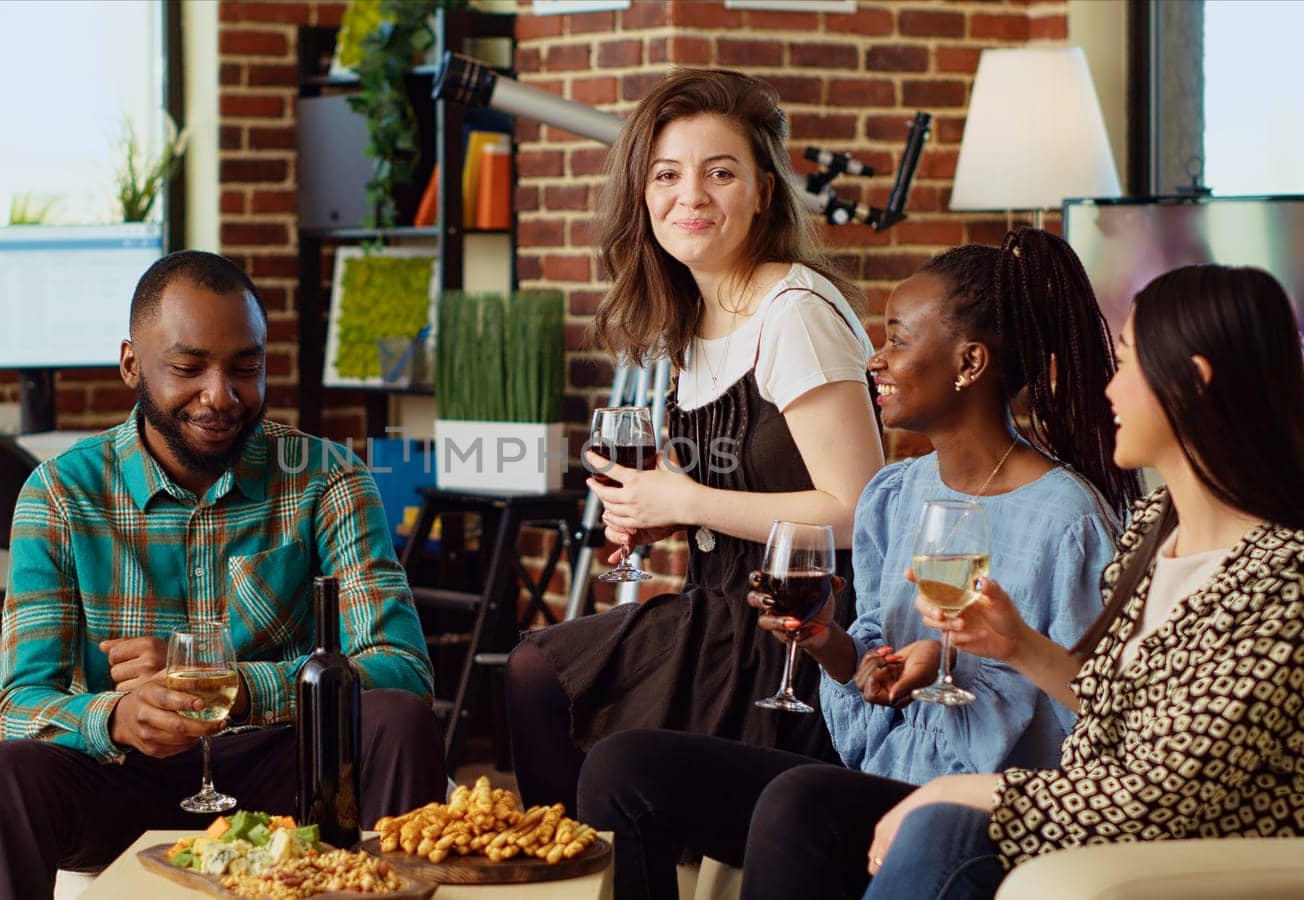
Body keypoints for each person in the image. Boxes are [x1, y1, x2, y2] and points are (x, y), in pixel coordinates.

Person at [577, 228, 1139, 900]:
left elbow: (1094, 718)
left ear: (969, 362)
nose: (876, 359)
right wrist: (831, 648)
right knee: (624, 768)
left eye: (899, 338)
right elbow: (869, 681)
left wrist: (962, 670)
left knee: (799, 800)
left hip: (976, 814)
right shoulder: (895, 495)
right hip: (880, 782)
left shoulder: (1067, 520)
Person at [0, 251, 446, 899]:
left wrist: (235, 688)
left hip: (287, 771)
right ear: (132, 363)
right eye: (188, 368)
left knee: (397, 719)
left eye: (246, 367)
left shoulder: (328, 477)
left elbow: (402, 668)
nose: (221, 395)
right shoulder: (59, 494)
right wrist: (118, 718)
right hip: (126, 778)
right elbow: (19, 707)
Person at [504, 68, 886, 813]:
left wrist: (687, 497)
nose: (692, 197)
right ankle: (582, 870)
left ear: (764, 190)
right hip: (714, 611)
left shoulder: (793, 312)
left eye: (720, 173)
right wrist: (670, 515)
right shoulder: (693, 317)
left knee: (544, 681)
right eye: (667, 175)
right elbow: (746, 491)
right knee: (535, 674)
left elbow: (859, 509)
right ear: (641, 194)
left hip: (799, 637)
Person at [859, 263, 1304, 899]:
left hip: (1179, 861)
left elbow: (1160, 794)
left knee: (940, 829)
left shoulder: (1282, 581)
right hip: (1091, 829)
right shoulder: (1158, 525)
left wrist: (954, 790)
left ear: (1194, 383)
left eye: (1127, 366)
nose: (1110, 391)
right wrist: (1015, 644)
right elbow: (1116, 708)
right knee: (804, 801)